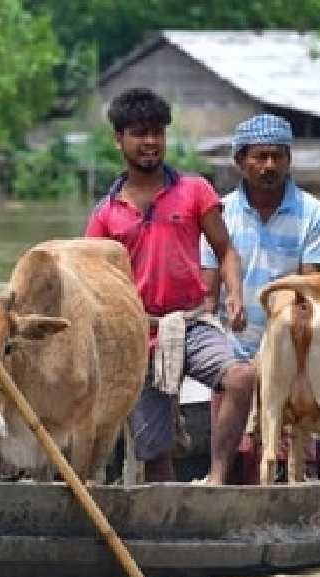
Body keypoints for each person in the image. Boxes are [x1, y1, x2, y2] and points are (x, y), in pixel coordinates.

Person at [84, 87, 256, 485]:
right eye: (140, 133)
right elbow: (93, 283)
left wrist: (234, 296)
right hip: (139, 333)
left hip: (191, 322)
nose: (150, 142)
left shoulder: (194, 190)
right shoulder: (106, 215)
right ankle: (168, 509)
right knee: (156, 458)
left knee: (242, 378)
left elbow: (226, 250)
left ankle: (215, 477)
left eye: (157, 133)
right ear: (119, 140)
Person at [200, 113, 320, 358]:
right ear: (241, 162)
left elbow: (311, 292)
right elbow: (208, 295)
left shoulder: (313, 214)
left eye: (277, 156)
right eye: (261, 157)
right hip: (231, 348)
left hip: (290, 349)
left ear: (288, 160)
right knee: (236, 385)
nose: (270, 165)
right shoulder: (219, 213)